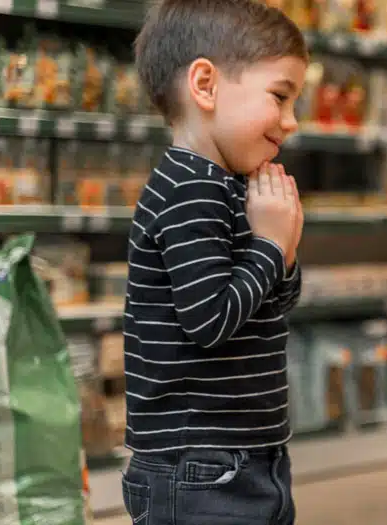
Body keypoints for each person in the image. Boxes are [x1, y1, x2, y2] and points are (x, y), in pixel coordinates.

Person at [119, 0, 307, 523]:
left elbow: (277, 303)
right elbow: (210, 321)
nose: (291, 122)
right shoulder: (188, 191)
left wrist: (283, 250)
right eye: (280, 96)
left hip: (246, 454)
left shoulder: (229, 186)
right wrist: (270, 245)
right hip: (199, 464)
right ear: (205, 85)